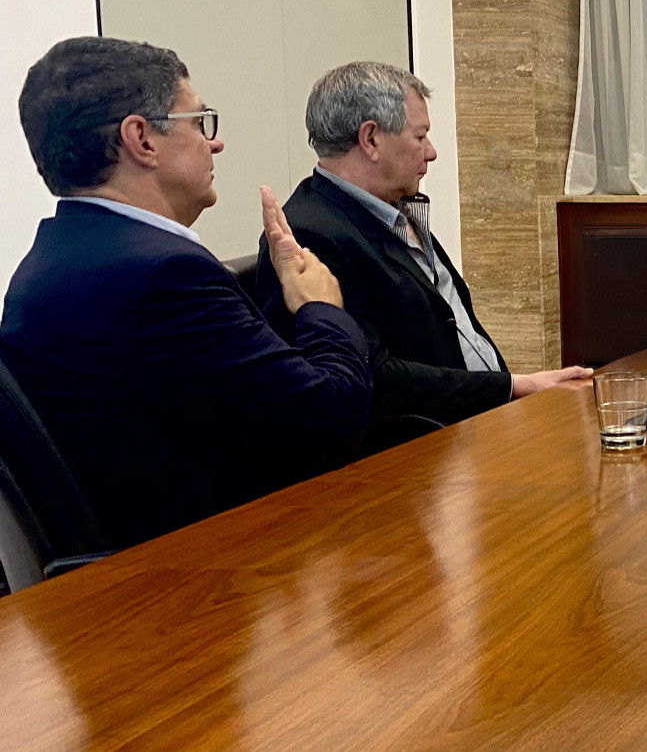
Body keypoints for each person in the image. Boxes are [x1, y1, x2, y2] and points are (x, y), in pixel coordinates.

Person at [0, 37, 370, 548]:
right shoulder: (161, 276)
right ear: (142, 140)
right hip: (216, 572)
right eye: (199, 122)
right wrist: (320, 305)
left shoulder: (54, 259)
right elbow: (334, 415)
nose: (214, 143)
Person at [255, 63, 589, 430]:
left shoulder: (394, 209)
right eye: (420, 137)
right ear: (370, 139)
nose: (431, 153)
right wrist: (513, 387)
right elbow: (371, 374)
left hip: (484, 421)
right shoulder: (311, 234)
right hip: (423, 449)